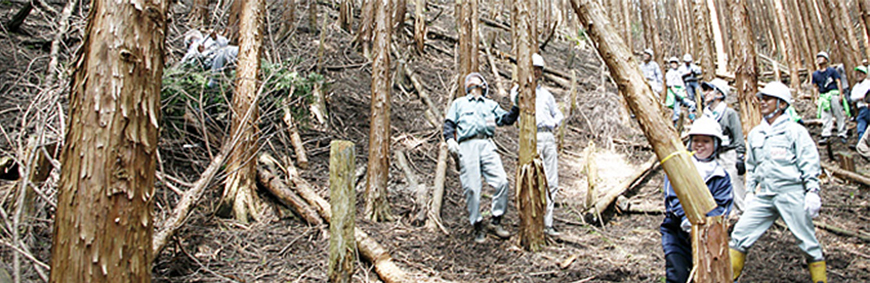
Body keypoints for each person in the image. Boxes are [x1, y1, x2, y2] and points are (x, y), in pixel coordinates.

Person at [729, 81, 827, 283]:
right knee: (739, 235)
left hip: (791, 192)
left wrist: (812, 191)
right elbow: (752, 165)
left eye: (768, 99)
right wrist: (749, 192)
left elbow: (808, 161)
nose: (763, 102)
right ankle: (728, 278)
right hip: (765, 195)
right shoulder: (756, 133)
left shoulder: (795, 131)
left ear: (782, 104)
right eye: (762, 99)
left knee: (808, 242)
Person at [444, 72, 519, 243]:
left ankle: (496, 221)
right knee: (471, 187)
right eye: (468, 79)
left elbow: (506, 120)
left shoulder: (490, 105)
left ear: (483, 85)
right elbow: (449, 123)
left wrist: (516, 105)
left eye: (476, 78)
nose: (471, 79)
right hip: (467, 145)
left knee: (502, 181)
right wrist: (450, 140)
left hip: (486, 144)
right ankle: (477, 224)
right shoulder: (459, 103)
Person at [660, 116, 733, 283]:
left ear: (716, 144)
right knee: (677, 274)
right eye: (696, 140)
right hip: (676, 231)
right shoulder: (678, 168)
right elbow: (673, 198)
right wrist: (686, 218)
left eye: (706, 141)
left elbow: (721, 208)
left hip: (708, 236)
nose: (700, 145)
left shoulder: (721, 176)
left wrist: (704, 224)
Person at [510, 54, 565, 236]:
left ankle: (547, 223)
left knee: (551, 180)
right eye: (533, 68)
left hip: (547, 136)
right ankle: (531, 222)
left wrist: (553, 122)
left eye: (539, 69)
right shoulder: (518, 91)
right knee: (531, 179)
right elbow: (516, 106)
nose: (536, 71)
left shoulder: (547, 95)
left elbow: (558, 114)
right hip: (530, 137)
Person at [701, 79, 747, 214]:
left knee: (734, 184)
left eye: (710, 90)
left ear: (719, 94)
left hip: (728, 154)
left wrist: (740, 156)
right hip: (712, 155)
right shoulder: (706, 114)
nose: (706, 93)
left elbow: (737, 135)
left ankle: (743, 214)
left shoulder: (728, 113)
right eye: (706, 90)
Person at [812, 51, 849, 144]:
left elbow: (838, 82)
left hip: (833, 94)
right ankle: (826, 134)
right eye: (818, 58)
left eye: (821, 57)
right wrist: (816, 98)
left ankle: (842, 133)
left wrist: (841, 94)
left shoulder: (832, 71)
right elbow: (815, 87)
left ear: (826, 60)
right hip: (823, 96)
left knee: (838, 113)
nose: (819, 59)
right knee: (825, 116)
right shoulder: (815, 74)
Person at [665, 57, 696, 124]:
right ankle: (676, 125)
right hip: (674, 93)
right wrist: (675, 93)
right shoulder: (669, 73)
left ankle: (692, 118)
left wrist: (684, 92)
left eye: (675, 63)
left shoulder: (678, 73)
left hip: (680, 91)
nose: (674, 65)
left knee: (692, 104)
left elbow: (682, 83)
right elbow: (670, 85)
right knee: (677, 112)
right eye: (672, 63)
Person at [851, 66, 870, 148]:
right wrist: (861, 97)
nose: (859, 75)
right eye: (857, 73)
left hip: (868, 107)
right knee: (861, 126)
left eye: (861, 73)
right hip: (861, 109)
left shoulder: (868, 83)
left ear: (865, 74)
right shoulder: (856, 87)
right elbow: (853, 97)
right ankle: (861, 145)